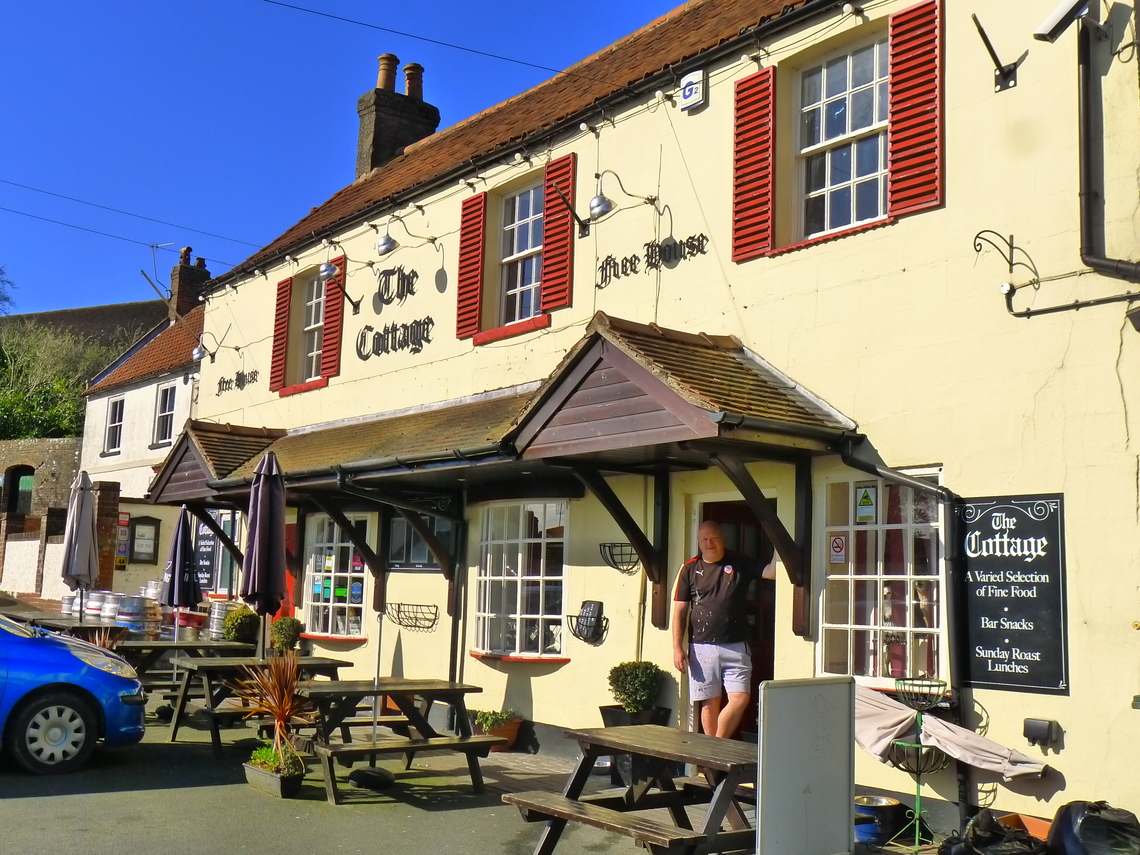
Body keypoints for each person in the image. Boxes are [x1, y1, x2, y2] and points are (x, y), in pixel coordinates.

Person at [672, 520, 775, 738]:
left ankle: (716, 746)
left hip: (736, 644)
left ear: (722, 538)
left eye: (714, 538)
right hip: (701, 646)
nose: (709, 543)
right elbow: (680, 611)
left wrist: (779, 545)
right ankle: (713, 760)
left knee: (740, 698)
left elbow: (772, 572)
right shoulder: (689, 569)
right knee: (710, 702)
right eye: (704, 539)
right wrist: (677, 649)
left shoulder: (739, 562)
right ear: (699, 542)